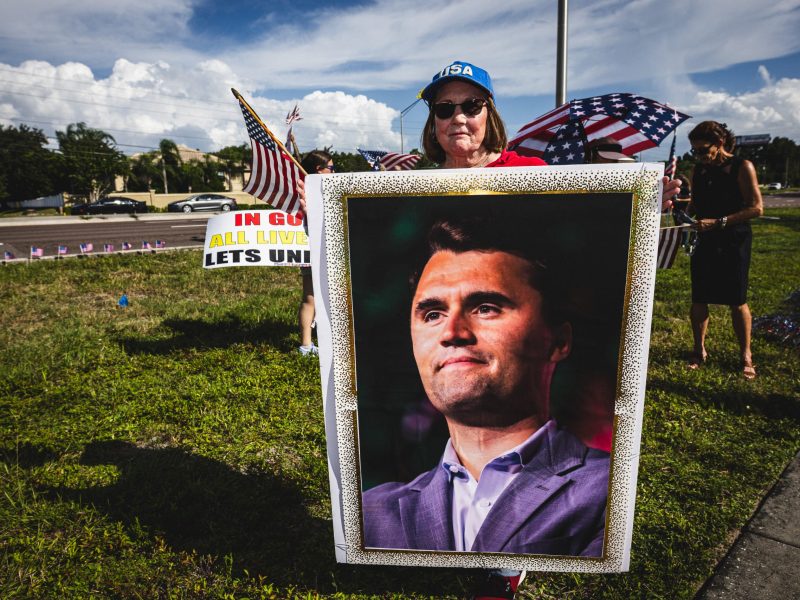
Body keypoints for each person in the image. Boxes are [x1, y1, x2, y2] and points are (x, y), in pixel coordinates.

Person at [361, 216, 610, 556]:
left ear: (558, 341)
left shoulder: (612, 493)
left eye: (486, 308)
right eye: (432, 314)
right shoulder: (371, 514)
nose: (452, 332)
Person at [686, 121, 763, 379]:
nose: (698, 155)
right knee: (699, 297)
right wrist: (684, 215)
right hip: (705, 239)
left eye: (702, 149)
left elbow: (756, 208)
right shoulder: (699, 170)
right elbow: (695, 205)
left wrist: (719, 222)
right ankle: (699, 351)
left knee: (737, 299)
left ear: (719, 144)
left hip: (734, 239)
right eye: (694, 151)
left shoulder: (742, 167)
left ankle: (746, 355)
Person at [297, 150, 334, 356]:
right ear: (319, 170)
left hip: (325, 249)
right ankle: (306, 345)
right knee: (311, 298)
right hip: (312, 251)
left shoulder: (309, 187)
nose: (333, 172)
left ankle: (314, 341)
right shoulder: (309, 191)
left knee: (316, 298)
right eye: (331, 168)